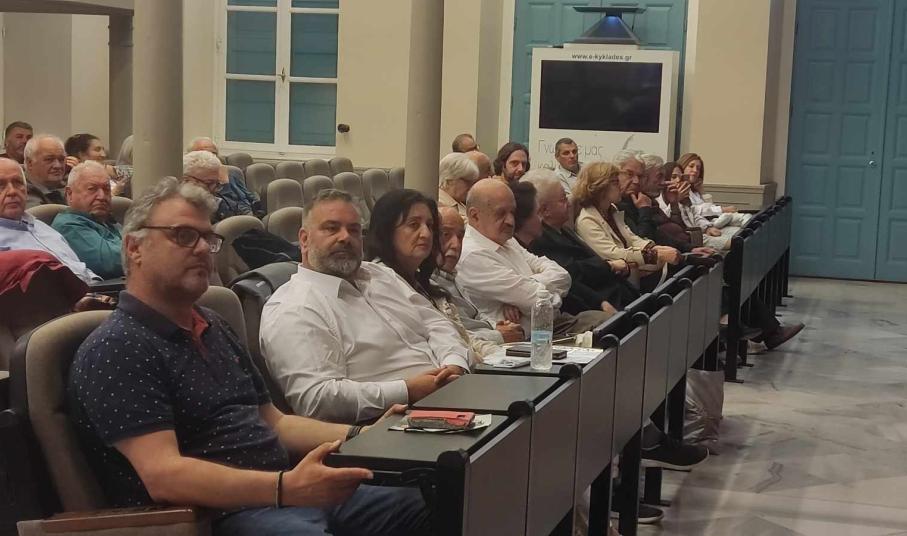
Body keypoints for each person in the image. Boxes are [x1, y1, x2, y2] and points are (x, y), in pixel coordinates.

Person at [67, 177, 429, 535]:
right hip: (215, 516)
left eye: (208, 238)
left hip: (280, 493)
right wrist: (286, 488)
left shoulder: (212, 324)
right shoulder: (118, 347)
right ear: (134, 248)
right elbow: (164, 475)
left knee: (429, 502)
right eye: (184, 235)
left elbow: (275, 423)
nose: (201, 249)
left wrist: (363, 434)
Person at [260, 189, 470, 424]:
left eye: (353, 230)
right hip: (388, 422)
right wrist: (407, 390)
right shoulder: (294, 307)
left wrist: (454, 363)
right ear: (304, 239)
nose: (345, 237)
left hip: (451, 392)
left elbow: (436, 323)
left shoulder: (379, 274)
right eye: (331, 228)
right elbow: (316, 399)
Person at [457, 178, 612, 338]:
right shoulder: (472, 255)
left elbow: (563, 275)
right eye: (501, 213)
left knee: (612, 322)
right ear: (475, 216)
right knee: (607, 327)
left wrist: (526, 288)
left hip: (551, 324)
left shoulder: (506, 239)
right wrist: (537, 293)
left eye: (512, 212)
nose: (510, 221)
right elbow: (541, 303)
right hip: (529, 340)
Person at [367, 189, 501, 361]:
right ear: (387, 230)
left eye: (430, 226)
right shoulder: (378, 281)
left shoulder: (423, 283)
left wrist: (498, 355)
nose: (426, 234)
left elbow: (460, 336)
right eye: (414, 225)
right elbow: (420, 347)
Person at [520, 169, 640, 312]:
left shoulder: (563, 229)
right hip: (600, 303)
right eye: (563, 200)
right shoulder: (540, 240)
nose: (569, 204)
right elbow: (571, 274)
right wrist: (608, 266)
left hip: (617, 292)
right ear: (545, 210)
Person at [511, 181, 619, 316]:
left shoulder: (524, 246)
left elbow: (563, 276)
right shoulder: (536, 244)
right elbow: (559, 281)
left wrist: (600, 302)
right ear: (523, 219)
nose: (542, 219)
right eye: (538, 213)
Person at [573, 161, 678, 289]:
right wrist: (653, 255)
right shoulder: (587, 220)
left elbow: (631, 238)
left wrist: (653, 247)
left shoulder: (612, 209)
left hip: (633, 271)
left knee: (678, 269)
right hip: (616, 281)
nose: (620, 186)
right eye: (615, 182)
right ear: (600, 187)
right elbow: (613, 254)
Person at [433, 206, 524, 344]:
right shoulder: (426, 284)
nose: (456, 244)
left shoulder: (452, 277)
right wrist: (498, 335)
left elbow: (477, 317)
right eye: (446, 234)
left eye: (460, 236)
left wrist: (498, 326)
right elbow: (449, 338)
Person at [0, 157, 97, 282]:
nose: (12, 191)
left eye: (17, 183)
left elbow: (80, 268)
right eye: (1, 185)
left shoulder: (43, 227)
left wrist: (98, 285)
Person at [616, 151, 720, 255]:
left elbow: (663, 234)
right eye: (629, 174)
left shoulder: (648, 202)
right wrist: (645, 210)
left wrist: (690, 249)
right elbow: (644, 241)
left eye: (639, 176)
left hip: (680, 247)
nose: (636, 181)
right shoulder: (624, 204)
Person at [52, 161, 124, 279]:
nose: (102, 196)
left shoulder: (107, 221)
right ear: (69, 194)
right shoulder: (68, 225)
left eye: (106, 189)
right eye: (92, 189)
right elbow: (110, 262)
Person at [188, 136, 263, 217]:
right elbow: (225, 210)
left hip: (249, 215)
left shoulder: (233, 172)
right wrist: (224, 185)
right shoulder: (195, 179)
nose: (211, 157)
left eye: (213, 154)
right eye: (205, 154)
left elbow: (248, 196)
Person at [183, 150, 257, 222]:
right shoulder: (181, 210)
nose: (215, 189)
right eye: (209, 183)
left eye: (217, 183)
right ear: (186, 180)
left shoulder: (217, 202)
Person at [64, 133, 133, 197]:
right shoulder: (70, 179)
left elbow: (136, 173)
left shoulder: (107, 168)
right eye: (97, 150)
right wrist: (114, 192)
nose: (104, 155)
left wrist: (113, 171)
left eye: (103, 149)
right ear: (81, 154)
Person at [23, 134, 67, 207]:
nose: (57, 165)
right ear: (30, 163)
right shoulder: (21, 192)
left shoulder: (69, 186)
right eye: (49, 159)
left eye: (61, 159)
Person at [437, 152, 480, 219]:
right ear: (449, 180)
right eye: (468, 181)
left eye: (473, 182)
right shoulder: (439, 204)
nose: (471, 187)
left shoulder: (460, 202)